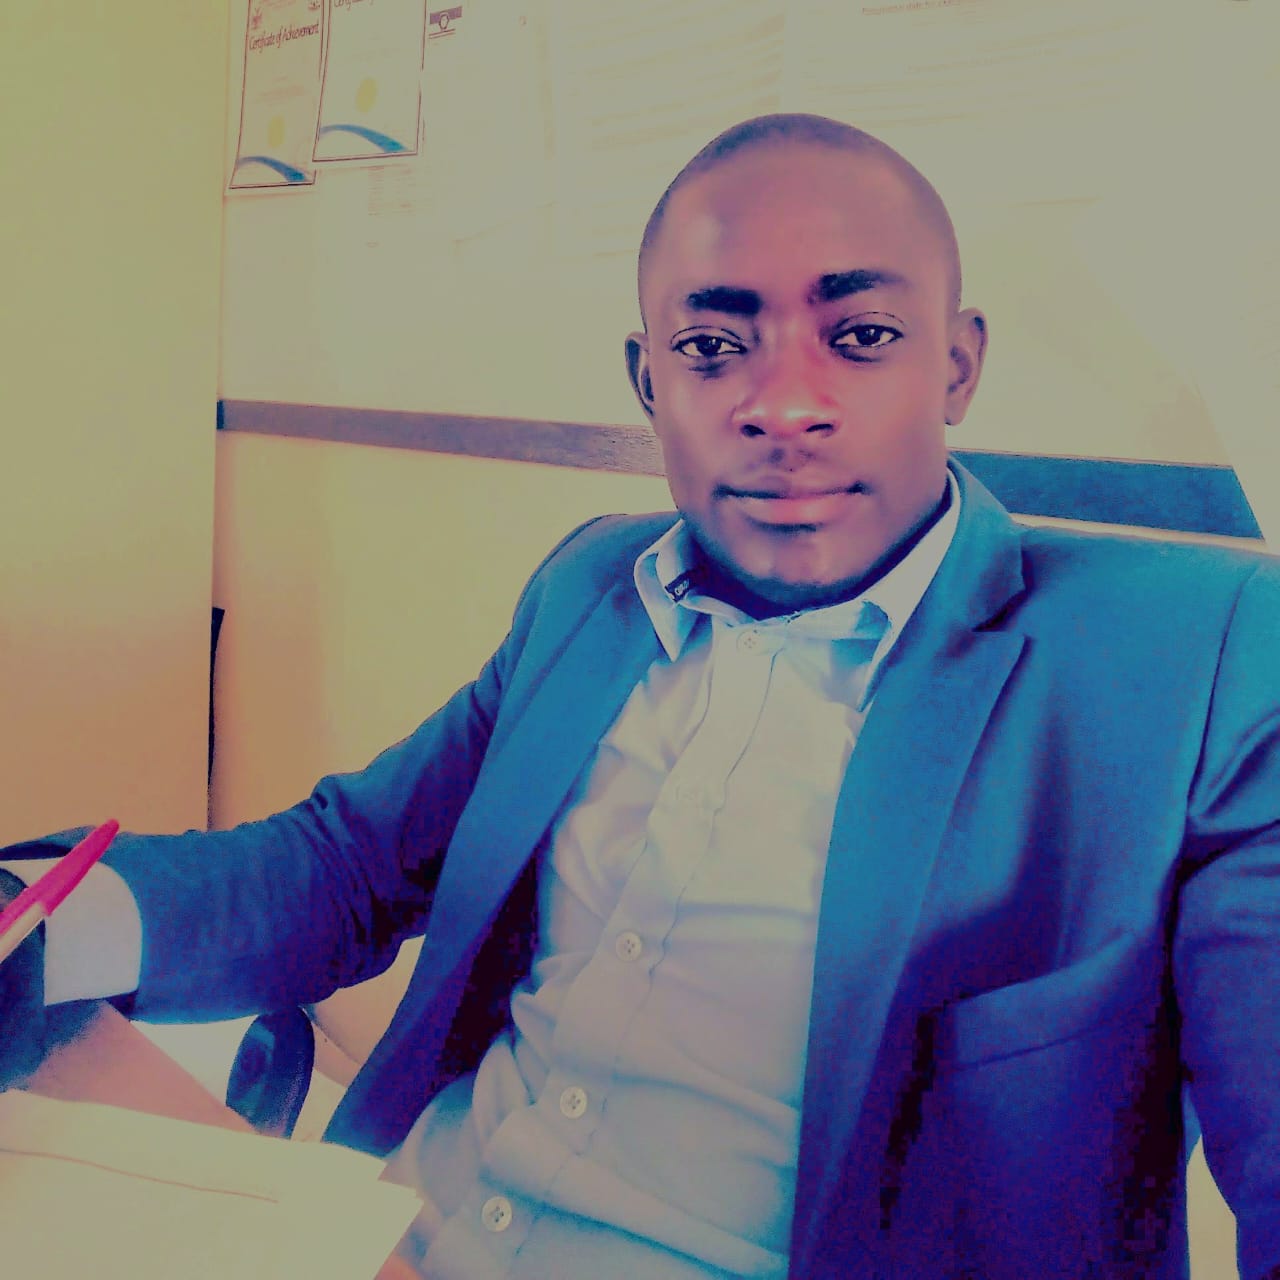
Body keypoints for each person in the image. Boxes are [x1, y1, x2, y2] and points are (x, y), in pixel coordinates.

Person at [3, 112, 1279, 1280]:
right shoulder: (588, 590)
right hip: (389, 1235)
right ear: (646, 377)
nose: (783, 405)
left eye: (860, 336)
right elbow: (346, 865)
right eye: (712, 346)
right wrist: (37, 920)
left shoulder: (1193, 659)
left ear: (955, 365)